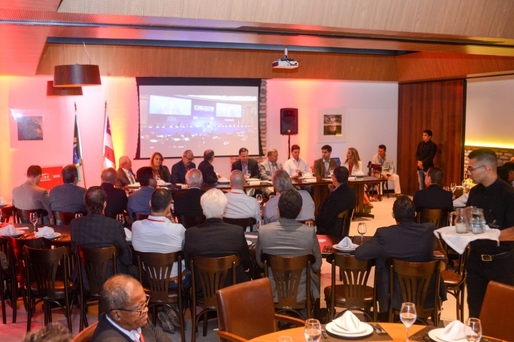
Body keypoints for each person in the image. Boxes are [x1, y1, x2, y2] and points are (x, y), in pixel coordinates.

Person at [355, 196, 443, 319]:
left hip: (397, 298)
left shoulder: (385, 235)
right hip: (426, 295)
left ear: (393, 215)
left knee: (382, 258)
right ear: (415, 214)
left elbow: (360, 253)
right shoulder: (429, 231)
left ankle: (384, 311)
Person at [464, 148, 514, 317]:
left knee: (499, 314)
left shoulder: (508, 194)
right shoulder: (475, 191)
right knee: (474, 311)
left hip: (502, 264)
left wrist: (492, 235)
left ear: (487, 168)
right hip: (476, 261)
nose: (469, 172)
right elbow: (468, 216)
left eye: (471, 168)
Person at [256, 189, 322, 302]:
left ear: (277, 209)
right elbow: (317, 265)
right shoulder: (309, 233)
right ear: (300, 211)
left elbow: (260, 263)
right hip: (301, 292)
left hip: (272, 291)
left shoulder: (263, 231)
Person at [183, 189, 251, 288]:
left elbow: (189, 266)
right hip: (232, 291)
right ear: (224, 209)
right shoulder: (237, 232)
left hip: (202, 291)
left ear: (203, 209)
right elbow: (246, 263)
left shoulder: (191, 233)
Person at [131, 188, 189, 291]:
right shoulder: (178, 229)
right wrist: (171, 220)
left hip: (148, 280)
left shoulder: (136, 226)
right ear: (169, 207)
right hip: (174, 282)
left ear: (150, 203)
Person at [70, 186, 132, 275]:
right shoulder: (114, 225)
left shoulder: (75, 224)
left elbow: (74, 251)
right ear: (105, 203)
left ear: (85, 204)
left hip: (85, 279)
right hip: (112, 279)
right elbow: (127, 258)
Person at [91, 274, 171, 342]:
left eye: (144, 303)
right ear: (117, 315)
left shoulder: (138, 316)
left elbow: (158, 336)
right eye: (140, 307)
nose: (146, 309)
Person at [315, 166, 356, 235]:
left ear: (334, 178)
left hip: (330, 231)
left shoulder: (334, 196)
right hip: (344, 229)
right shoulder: (352, 193)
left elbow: (325, 218)